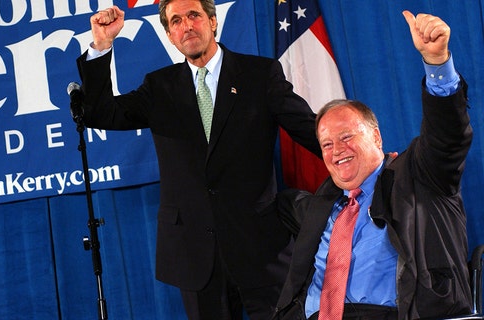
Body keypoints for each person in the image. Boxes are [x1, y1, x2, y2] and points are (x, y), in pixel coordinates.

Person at [75, 0, 322, 318]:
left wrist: (362, 160)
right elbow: (99, 113)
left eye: (193, 15)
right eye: (176, 21)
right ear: (169, 34)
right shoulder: (159, 87)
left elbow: (307, 128)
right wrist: (102, 44)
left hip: (260, 247)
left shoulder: (259, 74)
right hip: (194, 254)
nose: (186, 25)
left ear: (213, 21)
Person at [273, 11, 473, 320]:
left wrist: (437, 63)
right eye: (327, 144)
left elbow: (447, 138)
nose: (337, 150)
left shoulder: (418, 177)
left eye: (347, 136)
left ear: (376, 137)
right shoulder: (322, 204)